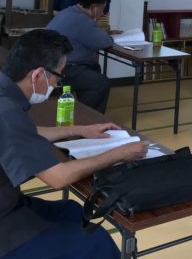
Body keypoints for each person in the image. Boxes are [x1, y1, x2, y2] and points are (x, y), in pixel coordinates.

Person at [0, 29, 148, 259]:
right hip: (5, 224)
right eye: (57, 76)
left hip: (8, 202)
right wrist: (119, 153)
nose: (57, 83)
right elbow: (58, 177)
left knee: (72, 211)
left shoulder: (5, 92)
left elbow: (22, 132)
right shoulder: (7, 110)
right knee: (96, 240)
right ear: (38, 75)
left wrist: (80, 130)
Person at [45, 0, 113, 112]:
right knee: (100, 83)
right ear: (93, 7)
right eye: (102, 10)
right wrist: (108, 35)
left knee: (94, 69)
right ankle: (84, 115)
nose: (102, 14)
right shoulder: (81, 19)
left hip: (53, 62)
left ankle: (85, 111)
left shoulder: (68, 12)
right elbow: (105, 42)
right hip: (64, 67)